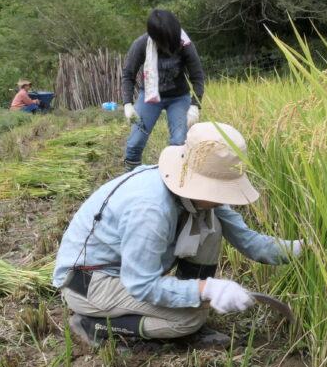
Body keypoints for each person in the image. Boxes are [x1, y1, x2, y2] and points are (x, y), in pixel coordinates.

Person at [54, 121, 303, 350]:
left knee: (213, 226)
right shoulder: (150, 209)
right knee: (188, 320)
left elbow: (250, 242)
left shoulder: (200, 198)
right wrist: (206, 289)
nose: (223, 198)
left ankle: (183, 301)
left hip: (127, 275)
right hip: (89, 283)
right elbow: (142, 284)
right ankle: (93, 325)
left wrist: (308, 248)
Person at [120, 9, 205, 171]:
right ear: (154, 36)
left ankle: (173, 182)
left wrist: (195, 105)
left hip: (179, 97)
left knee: (180, 142)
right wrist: (127, 104)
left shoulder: (185, 45)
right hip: (149, 97)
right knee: (135, 142)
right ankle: (130, 178)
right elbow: (128, 75)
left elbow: (198, 77)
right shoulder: (142, 44)